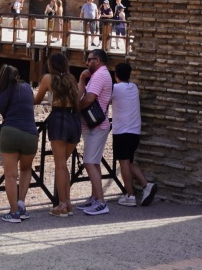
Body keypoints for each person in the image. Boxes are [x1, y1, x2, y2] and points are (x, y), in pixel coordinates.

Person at [35, 51, 81, 217]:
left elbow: (37, 100)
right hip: (74, 119)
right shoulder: (71, 78)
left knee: (60, 165)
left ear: (51, 65)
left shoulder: (48, 78)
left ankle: (62, 205)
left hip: (59, 118)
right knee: (64, 165)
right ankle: (67, 202)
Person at [0, 65, 37, 222]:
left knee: (10, 175)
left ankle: (14, 212)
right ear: (17, 77)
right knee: (26, 169)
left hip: (10, 132)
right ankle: (22, 205)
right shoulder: (26, 87)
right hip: (31, 133)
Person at [110, 61, 155, 206]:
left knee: (123, 164)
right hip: (135, 132)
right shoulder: (134, 87)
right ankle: (146, 186)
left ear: (115, 75)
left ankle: (130, 195)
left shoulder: (116, 88)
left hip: (121, 132)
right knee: (128, 162)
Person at [76, 49, 114, 215]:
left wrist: (74, 108)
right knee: (94, 162)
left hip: (97, 126)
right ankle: (95, 197)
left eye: (89, 59)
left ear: (97, 60)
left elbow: (89, 98)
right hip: (93, 126)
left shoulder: (100, 75)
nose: (86, 62)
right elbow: (83, 94)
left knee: (89, 162)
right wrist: (82, 79)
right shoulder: (97, 75)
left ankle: (101, 202)